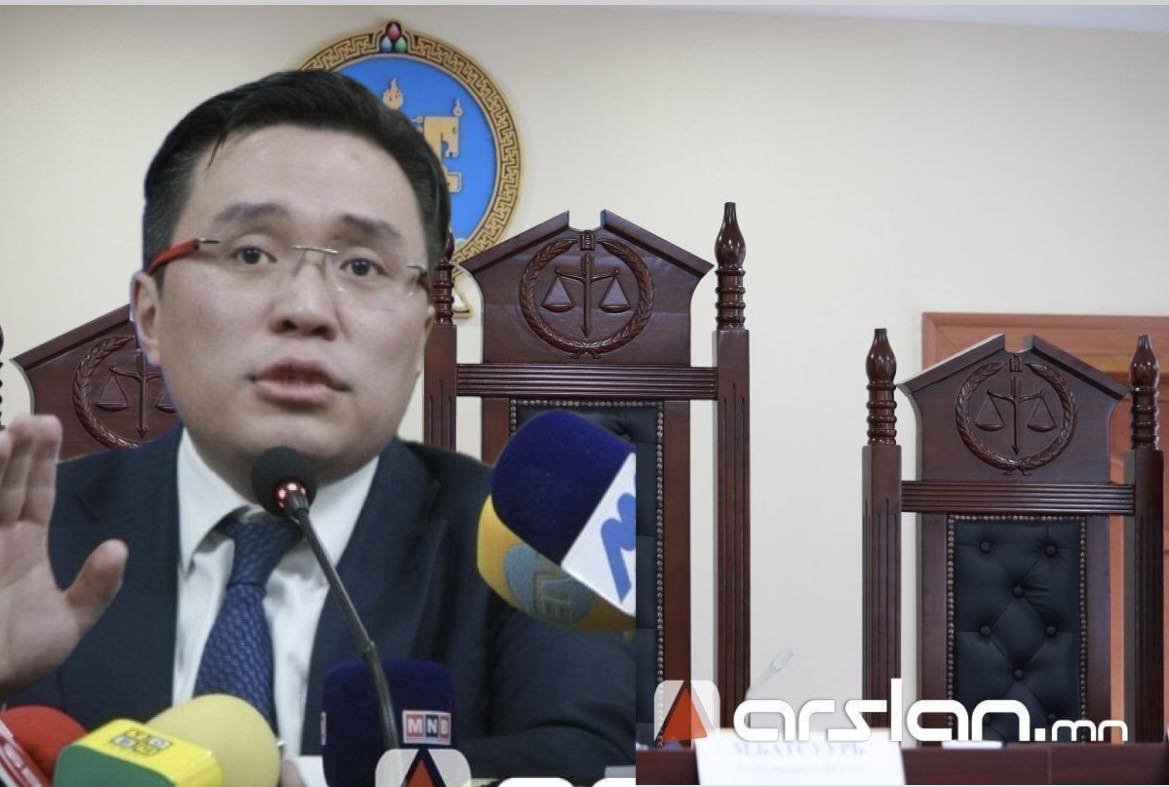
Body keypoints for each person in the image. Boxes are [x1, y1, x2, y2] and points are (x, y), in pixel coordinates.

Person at [0, 70, 633, 782]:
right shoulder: (28, 540)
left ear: (422, 334)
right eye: (250, 253)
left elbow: (587, 759)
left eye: (362, 265)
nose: (306, 308)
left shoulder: (526, 541)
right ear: (150, 315)